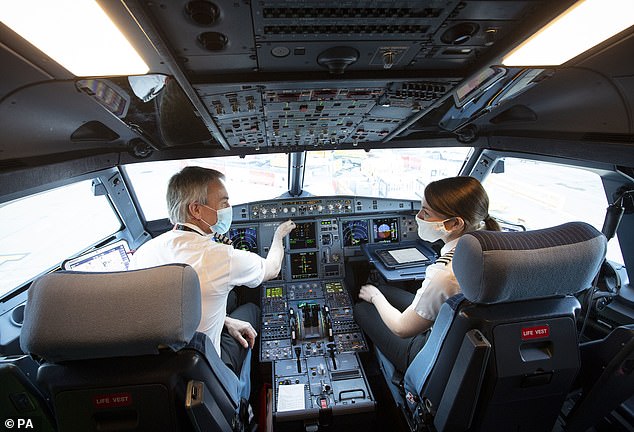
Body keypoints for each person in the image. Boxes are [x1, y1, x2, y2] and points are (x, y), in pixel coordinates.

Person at [129, 166, 295, 374]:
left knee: (230, 301)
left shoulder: (143, 253)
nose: (229, 208)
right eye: (224, 202)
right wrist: (278, 236)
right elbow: (272, 269)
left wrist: (225, 321)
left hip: (157, 369)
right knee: (252, 309)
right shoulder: (220, 256)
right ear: (196, 210)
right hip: (206, 372)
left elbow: (168, 310)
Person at [354, 176, 500, 373]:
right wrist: (380, 293)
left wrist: (375, 297)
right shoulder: (497, 242)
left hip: (431, 352)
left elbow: (402, 329)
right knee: (384, 290)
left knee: (363, 308)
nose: (419, 216)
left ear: (455, 224)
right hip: (466, 335)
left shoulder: (445, 274)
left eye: (427, 212)